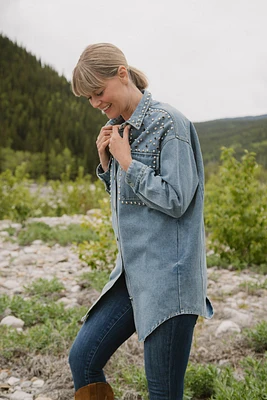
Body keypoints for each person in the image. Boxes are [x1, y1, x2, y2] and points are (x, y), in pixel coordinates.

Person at [69, 43, 213, 400]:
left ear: (122, 73)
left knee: (163, 392)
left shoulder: (170, 123)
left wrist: (129, 164)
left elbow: (178, 200)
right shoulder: (117, 128)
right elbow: (136, 206)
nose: (96, 103)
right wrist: (107, 166)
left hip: (169, 282)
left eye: (98, 92)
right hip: (131, 276)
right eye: (89, 98)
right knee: (83, 359)